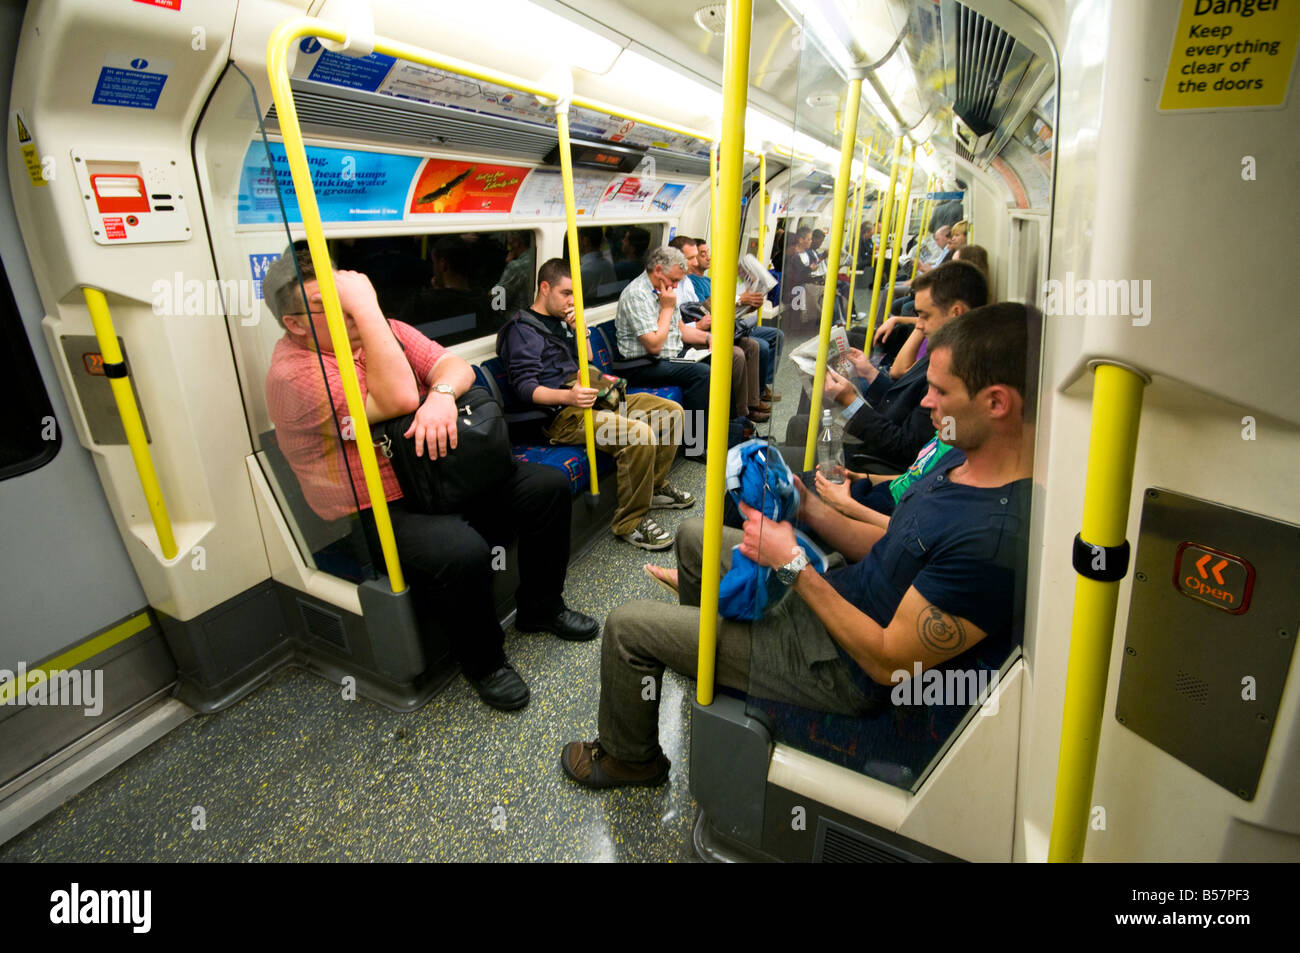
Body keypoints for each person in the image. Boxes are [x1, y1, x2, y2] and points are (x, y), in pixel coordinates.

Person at [560, 302, 1036, 787]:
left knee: (626, 627)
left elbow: (890, 661)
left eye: (939, 390)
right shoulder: (957, 463)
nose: (927, 402)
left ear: (996, 402)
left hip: (838, 665)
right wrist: (810, 508)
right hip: (839, 596)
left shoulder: (990, 539)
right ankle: (700, 656)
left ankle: (630, 758)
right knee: (693, 536)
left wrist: (792, 564)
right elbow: (891, 542)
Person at [262, 244, 599, 713]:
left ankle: (541, 608)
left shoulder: (382, 330)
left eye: (349, 300)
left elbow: (455, 367)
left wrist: (441, 394)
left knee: (547, 488)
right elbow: (400, 397)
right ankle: (484, 663)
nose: (349, 315)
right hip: (379, 505)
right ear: (294, 324)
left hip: (438, 471)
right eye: (329, 307)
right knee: (463, 551)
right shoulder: (294, 376)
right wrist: (366, 307)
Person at [498, 258, 694, 551]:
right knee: (638, 435)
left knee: (671, 413)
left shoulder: (563, 320)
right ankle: (629, 521)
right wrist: (569, 397)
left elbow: (587, 359)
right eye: (566, 293)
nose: (571, 301)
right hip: (565, 415)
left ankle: (652, 488)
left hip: (596, 398)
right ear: (544, 287)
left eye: (575, 294)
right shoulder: (522, 330)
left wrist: (580, 329)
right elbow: (526, 389)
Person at [787, 260, 989, 470]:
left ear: (956, 313)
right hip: (880, 424)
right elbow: (903, 396)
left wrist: (850, 401)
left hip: (873, 454)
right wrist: (871, 374)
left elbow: (907, 449)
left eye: (925, 316)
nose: (918, 325)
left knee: (787, 451)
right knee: (797, 425)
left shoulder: (951, 372)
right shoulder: (943, 349)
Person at [614, 245, 765, 429]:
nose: (676, 286)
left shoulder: (665, 291)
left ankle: (732, 421)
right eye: (674, 280)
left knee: (731, 355)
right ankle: (695, 444)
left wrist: (709, 338)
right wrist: (668, 308)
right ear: (658, 270)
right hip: (644, 363)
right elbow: (654, 345)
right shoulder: (637, 295)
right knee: (702, 374)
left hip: (672, 355)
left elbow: (681, 330)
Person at [687, 237, 783, 404]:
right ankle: (753, 397)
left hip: (733, 321)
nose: (708, 257)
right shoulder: (692, 284)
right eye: (702, 255)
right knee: (760, 346)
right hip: (713, 328)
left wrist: (752, 304)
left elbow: (727, 307)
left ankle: (761, 387)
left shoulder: (709, 281)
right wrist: (739, 299)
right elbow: (706, 309)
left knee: (777, 335)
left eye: (707, 253)